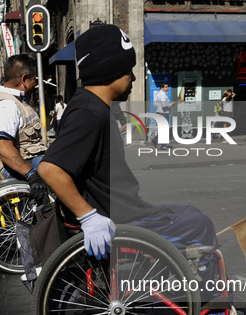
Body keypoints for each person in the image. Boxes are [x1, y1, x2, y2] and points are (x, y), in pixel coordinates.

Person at [38, 25, 218, 264]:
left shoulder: (93, 105)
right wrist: (88, 216)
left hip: (126, 208)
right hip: (119, 218)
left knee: (191, 212)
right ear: (110, 70)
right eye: (128, 70)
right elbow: (50, 168)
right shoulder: (89, 113)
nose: (133, 77)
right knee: (201, 225)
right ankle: (209, 295)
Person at [0, 55, 48, 202]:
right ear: (24, 79)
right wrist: (32, 175)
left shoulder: (17, 101)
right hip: (11, 169)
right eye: (34, 80)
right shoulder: (7, 105)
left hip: (27, 158)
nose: (34, 84)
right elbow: (3, 149)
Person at [153, 81, 175, 149]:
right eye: (166, 87)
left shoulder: (161, 94)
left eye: (167, 87)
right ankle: (160, 142)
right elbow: (164, 105)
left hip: (161, 113)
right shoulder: (162, 95)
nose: (167, 88)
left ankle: (159, 142)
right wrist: (171, 104)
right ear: (161, 88)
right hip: (163, 114)